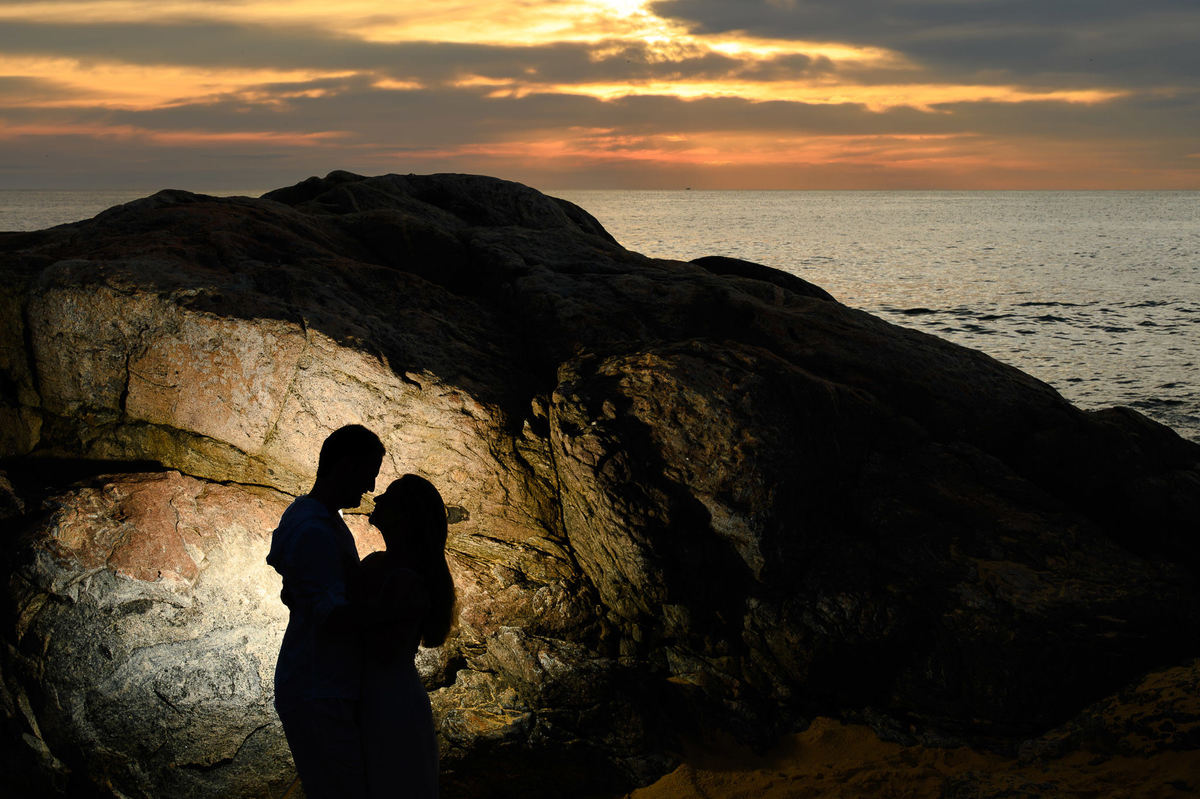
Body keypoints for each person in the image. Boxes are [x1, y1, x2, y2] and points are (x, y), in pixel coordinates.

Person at [267, 424, 385, 799]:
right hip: (318, 684)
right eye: (368, 475)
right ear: (346, 466)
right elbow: (331, 615)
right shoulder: (315, 529)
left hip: (316, 680)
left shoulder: (312, 516)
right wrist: (389, 609)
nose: (369, 488)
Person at [359, 474, 456, 799]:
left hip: (388, 704)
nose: (376, 499)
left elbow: (374, 646)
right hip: (389, 696)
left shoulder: (404, 581)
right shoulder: (382, 565)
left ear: (405, 515)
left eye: (388, 495)